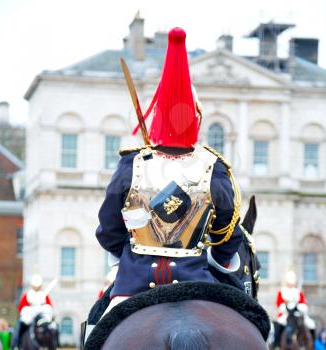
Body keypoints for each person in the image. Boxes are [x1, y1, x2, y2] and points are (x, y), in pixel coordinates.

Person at [94, 27, 243, 318]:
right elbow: (229, 237)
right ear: (197, 118)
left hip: (132, 283)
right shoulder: (214, 169)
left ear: (156, 115)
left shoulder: (132, 164)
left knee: (95, 329)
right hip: (198, 283)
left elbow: (108, 231)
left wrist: (133, 248)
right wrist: (216, 256)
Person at [273, 268, 316, 347]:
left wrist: (299, 307)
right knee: (278, 325)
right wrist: (286, 307)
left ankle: (313, 344)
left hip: (297, 313)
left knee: (311, 325)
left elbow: (303, 304)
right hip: (286, 314)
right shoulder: (282, 291)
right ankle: (276, 345)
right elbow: (278, 303)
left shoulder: (298, 292)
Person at [11, 274, 53, 349]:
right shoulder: (27, 295)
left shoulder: (44, 295)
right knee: (19, 327)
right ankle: (15, 345)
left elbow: (49, 307)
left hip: (41, 317)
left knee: (53, 328)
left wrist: (41, 308)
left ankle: (54, 345)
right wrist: (30, 309)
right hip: (29, 317)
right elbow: (21, 307)